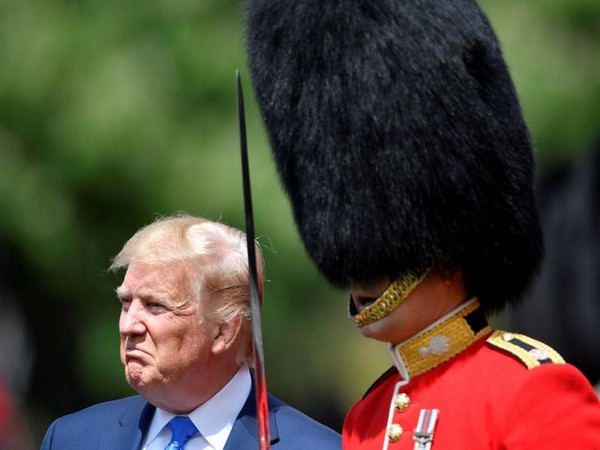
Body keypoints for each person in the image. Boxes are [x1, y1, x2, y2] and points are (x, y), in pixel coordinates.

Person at [243, 0, 600, 448]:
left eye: (383, 253)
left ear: (448, 255)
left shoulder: (529, 388)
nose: (358, 271)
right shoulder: (366, 415)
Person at [41, 215, 341, 449]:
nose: (128, 325)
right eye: (126, 303)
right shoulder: (70, 439)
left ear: (223, 331)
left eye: (155, 306)